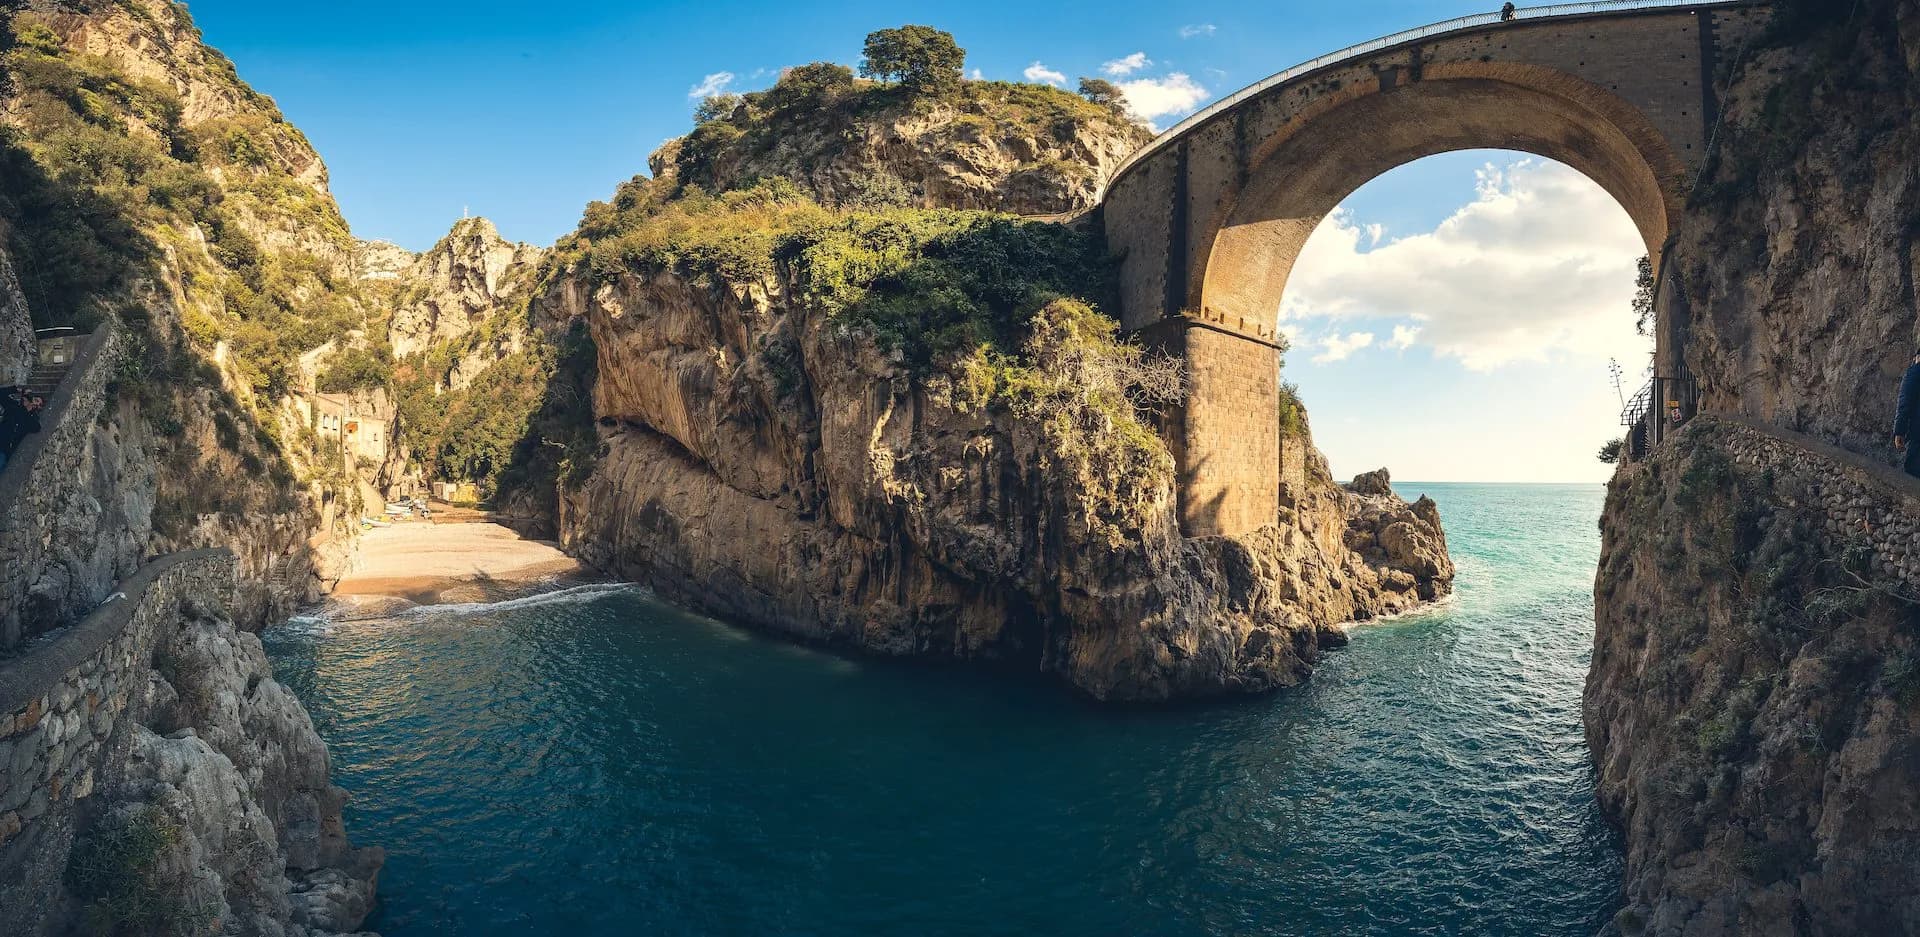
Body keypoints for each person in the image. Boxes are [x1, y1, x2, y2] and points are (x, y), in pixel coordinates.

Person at [0, 390, 43, 472]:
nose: (36, 404)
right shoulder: (14, 406)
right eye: (36, 400)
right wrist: (16, 389)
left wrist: (29, 410)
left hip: (6, 450)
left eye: (39, 404)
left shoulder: (32, 418)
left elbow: (36, 428)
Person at [1894, 348, 1920, 477]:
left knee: (1913, 475)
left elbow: (1905, 403)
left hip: (1918, 435)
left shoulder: (1915, 371)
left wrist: (1899, 431)